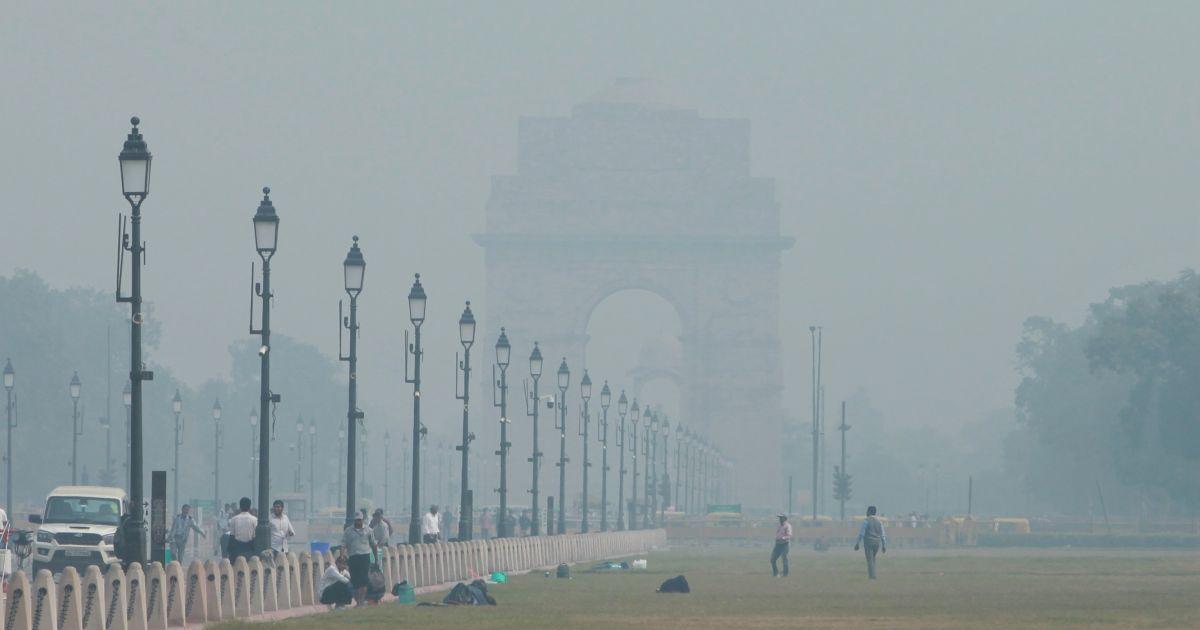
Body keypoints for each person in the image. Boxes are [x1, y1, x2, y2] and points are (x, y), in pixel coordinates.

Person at [342, 513, 378, 606]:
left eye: (359, 520)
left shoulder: (368, 530)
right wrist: (342, 557)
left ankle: (361, 601)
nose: (358, 522)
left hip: (364, 557)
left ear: (362, 520)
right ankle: (358, 601)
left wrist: (376, 559)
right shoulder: (348, 531)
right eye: (356, 520)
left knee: (364, 580)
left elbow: (374, 545)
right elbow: (343, 545)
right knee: (355, 581)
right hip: (353, 557)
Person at [854, 505, 888, 579]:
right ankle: (873, 574)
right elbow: (883, 534)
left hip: (868, 542)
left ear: (869, 512)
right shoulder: (879, 522)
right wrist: (884, 545)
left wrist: (857, 543)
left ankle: (872, 577)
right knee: (873, 559)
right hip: (877, 543)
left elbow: (861, 533)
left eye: (867, 511)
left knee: (870, 560)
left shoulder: (866, 521)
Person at [770, 513, 792, 577]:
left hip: (785, 544)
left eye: (781, 518)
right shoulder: (779, 525)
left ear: (785, 518)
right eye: (779, 518)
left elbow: (789, 535)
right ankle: (775, 573)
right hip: (778, 544)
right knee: (772, 559)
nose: (780, 519)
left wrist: (783, 538)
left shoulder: (787, 526)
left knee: (784, 558)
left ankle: (785, 574)